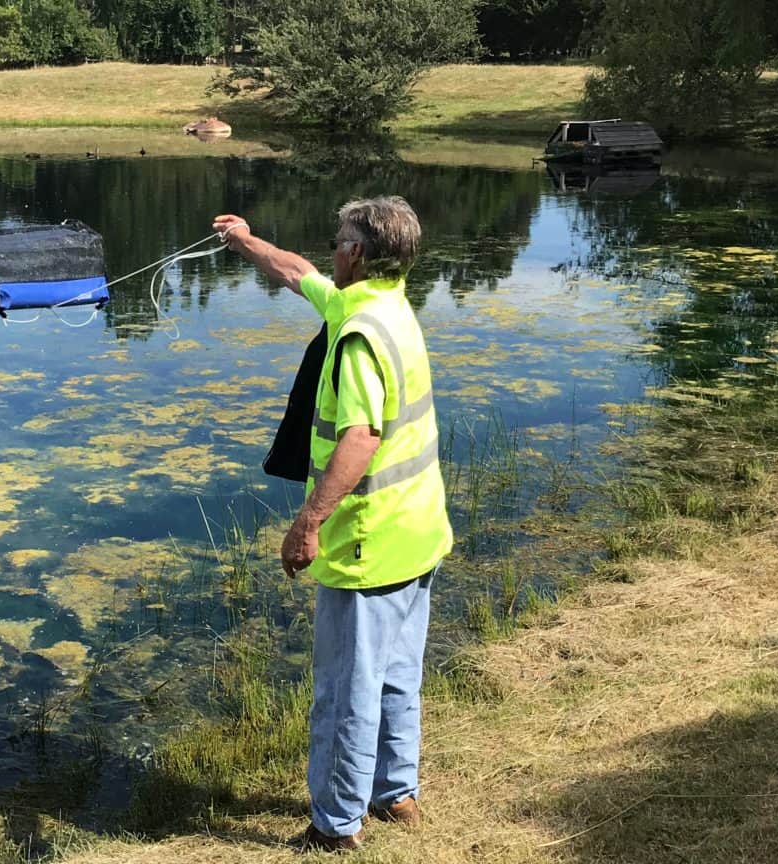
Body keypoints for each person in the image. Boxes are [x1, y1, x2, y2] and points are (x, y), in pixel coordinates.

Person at [213, 197, 453, 853]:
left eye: (339, 237)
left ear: (358, 254)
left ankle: (335, 825)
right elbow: (294, 273)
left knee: (346, 693)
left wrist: (308, 522)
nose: (330, 246)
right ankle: (395, 792)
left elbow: (359, 437)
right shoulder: (385, 303)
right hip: (419, 533)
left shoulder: (356, 337)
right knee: (399, 676)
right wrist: (245, 241)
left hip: (367, 544)